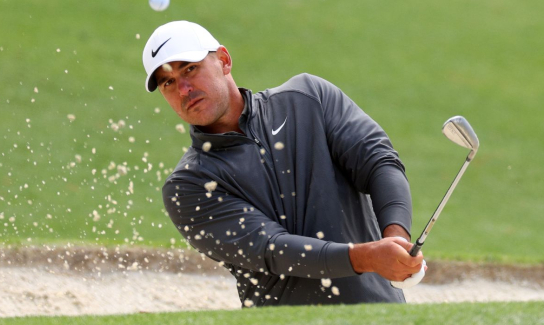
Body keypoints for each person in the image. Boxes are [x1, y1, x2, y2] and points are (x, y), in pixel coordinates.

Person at [142, 20, 425, 307]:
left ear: (224, 61)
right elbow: (272, 249)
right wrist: (370, 257)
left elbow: (379, 162)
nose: (184, 89)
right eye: (168, 82)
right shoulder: (189, 184)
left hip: (381, 312)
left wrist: (396, 239)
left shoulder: (307, 98)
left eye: (190, 69)